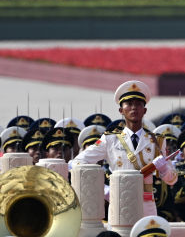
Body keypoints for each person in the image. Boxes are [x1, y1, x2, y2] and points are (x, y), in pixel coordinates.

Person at [72, 80, 178, 217]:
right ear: (121, 110)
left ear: (144, 110)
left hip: (146, 205)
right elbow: (77, 162)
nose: (134, 108)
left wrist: (164, 169)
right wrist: (104, 190)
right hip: (119, 202)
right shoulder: (110, 139)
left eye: (138, 104)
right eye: (129, 104)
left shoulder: (157, 141)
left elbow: (172, 180)